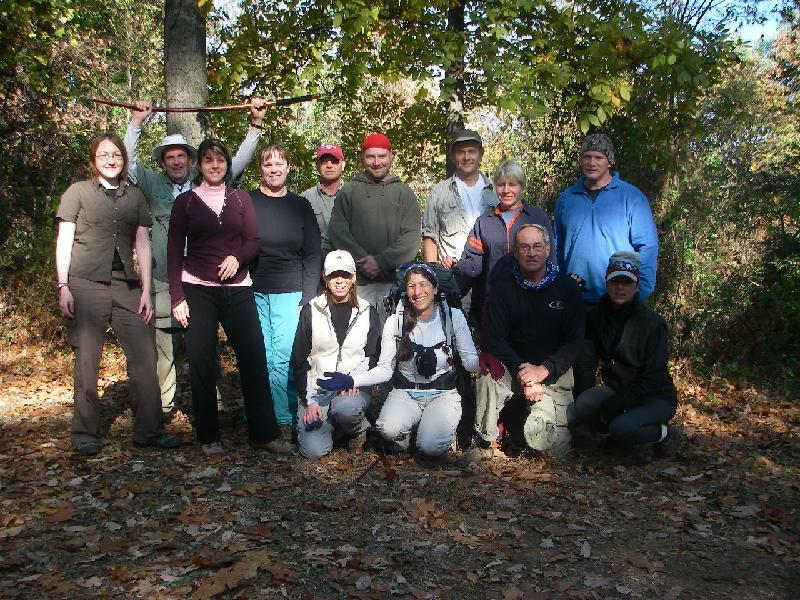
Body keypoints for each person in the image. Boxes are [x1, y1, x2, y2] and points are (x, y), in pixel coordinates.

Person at [123, 99, 267, 415]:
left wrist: (255, 126)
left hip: (210, 282)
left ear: (192, 161)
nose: (176, 162)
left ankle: (214, 408)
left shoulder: (205, 184)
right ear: (163, 162)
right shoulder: (152, 185)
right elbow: (128, 164)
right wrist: (135, 123)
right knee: (167, 346)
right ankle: (164, 409)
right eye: (169, 157)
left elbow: (236, 161)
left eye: (181, 156)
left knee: (206, 348)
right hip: (167, 279)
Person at [55, 133, 181, 455]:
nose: (111, 160)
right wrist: (63, 286)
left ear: (124, 160)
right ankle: (86, 433)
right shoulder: (77, 193)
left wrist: (147, 292)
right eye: (104, 155)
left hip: (127, 286)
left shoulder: (135, 197)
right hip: (84, 284)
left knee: (145, 357)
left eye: (117, 155)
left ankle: (149, 431)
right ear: (94, 159)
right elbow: (65, 240)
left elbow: (141, 243)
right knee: (87, 361)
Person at [166, 138, 293, 456]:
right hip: (197, 289)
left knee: (253, 358)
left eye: (220, 160)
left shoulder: (240, 200)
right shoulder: (186, 203)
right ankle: (209, 437)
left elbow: (253, 240)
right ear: (200, 165)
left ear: (227, 165)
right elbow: (172, 253)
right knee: (202, 362)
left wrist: (238, 257)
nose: (214, 165)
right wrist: (177, 297)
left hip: (238, 289)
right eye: (208, 160)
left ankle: (264, 433)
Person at [318, 264, 479, 462]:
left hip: (443, 394)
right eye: (411, 286)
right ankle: (415, 432)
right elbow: (386, 369)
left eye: (423, 284)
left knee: (429, 446)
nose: (418, 291)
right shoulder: (395, 321)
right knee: (387, 428)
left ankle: (434, 433)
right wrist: (351, 381)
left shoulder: (453, 317)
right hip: (406, 393)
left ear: (435, 288)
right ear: (405, 291)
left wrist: (484, 363)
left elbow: (470, 361)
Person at [468, 224, 584, 459]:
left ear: (548, 249)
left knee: (554, 455)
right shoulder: (503, 289)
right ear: (516, 252)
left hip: (555, 373)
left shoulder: (567, 289)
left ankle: (530, 427)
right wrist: (524, 372)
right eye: (524, 247)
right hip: (514, 369)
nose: (531, 253)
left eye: (537, 246)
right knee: (487, 381)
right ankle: (483, 443)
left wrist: (543, 370)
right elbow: (495, 339)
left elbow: (574, 342)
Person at [571, 251, 681, 455]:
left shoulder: (652, 324)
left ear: (636, 285)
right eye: (615, 281)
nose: (620, 287)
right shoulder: (597, 315)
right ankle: (618, 431)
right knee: (584, 404)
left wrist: (621, 403)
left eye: (626, 282)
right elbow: (583, 354)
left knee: (622, 428)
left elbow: (655, 376)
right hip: (618, 389)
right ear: (607, 282)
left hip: (655, 396)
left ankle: (665, 433)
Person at [250, 144, 322, 437]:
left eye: (279, 163)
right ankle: (260, 412)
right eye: (268, 164)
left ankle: (282, 419)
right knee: (259, 355)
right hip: (253, 290)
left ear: (288, 167)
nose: (274, 169)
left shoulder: (299, 205)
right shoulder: (248, 201)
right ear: (261, 170)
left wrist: (307, 296)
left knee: (282, 355)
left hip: (290, 290)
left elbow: (313, 253)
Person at [290, 250, 381, 459]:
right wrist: (309, 400)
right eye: (333, 275)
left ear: (354, 278)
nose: (339, 281)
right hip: (317, 390)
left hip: (351, 390)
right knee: (314, 452)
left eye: (345, 275)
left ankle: (357, 427)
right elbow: (299, 360)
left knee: (347, 409)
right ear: (324, 277)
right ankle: (333, 427)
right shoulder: (311, 311)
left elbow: (372, 357)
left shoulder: (368, 312)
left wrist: (355, 381)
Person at [553, 133, 659, 304]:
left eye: (598, 157)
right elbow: (556, 247)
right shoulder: (567, 199)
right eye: (587, 157)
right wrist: (561, 285)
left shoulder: (631, 198)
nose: (591, 163)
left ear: (609, 161)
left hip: (619, 300)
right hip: (576, 299)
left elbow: (647, 246)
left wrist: (640, 293)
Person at [328, 133, 421, 319]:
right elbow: (338, 231)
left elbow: (411, 237)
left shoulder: (404, 193)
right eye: (371, 157)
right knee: (359, 339)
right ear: (363, 158)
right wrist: (363, 261)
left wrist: (381, 262)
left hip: (395, 283)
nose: (377, 162)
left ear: (390, 156)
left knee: (393, 340)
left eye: (382, 156)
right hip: (358, 284)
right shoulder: (349, 191)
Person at [455, 158, 553, 325]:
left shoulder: (538, 217)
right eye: (501, 185)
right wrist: (454, 268)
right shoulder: (485, 222)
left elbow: (551, 261)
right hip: (494, 305)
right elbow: (473, 264)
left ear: (521, 186)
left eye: (512, 184)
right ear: (495, 187)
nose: (506, 190)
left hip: (533, 301)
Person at [422, 129, 497, 317]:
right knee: (453, 337)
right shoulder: (439, 193)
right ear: (453, 155)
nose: (466, 157)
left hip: (491, 278)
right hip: (453, 277)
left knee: (488, 336)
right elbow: (430, 236)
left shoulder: (497, 191)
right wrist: (433, 278)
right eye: (461, 152)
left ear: (480, 154)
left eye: (471, 151)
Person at [301, 143, 346, 254]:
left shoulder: (352, 196)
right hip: (315, 263)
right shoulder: (305, 199)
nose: (329, 165)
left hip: (348, 264)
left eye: (334, 161)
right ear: (317, 166)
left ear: (343, 165)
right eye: (324, 161)